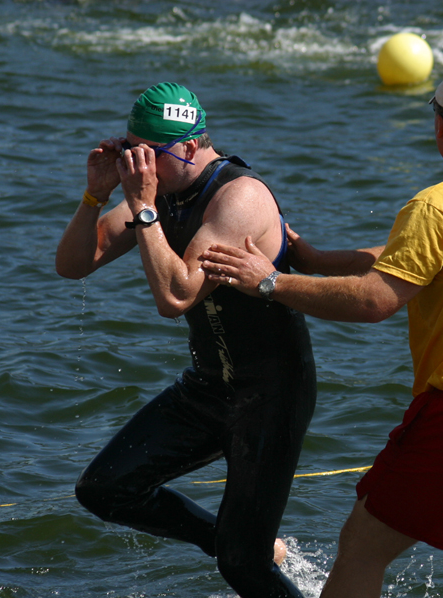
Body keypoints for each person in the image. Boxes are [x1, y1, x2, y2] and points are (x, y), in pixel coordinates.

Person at [200, 63, 443, 598]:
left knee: (361, 548)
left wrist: (271, 283)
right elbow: (425, 258)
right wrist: (318, 259)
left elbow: (375, 300)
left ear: (440, 127)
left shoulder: (438, 204)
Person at [55, 82, 316, 598]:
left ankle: (245, 548)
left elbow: (177, 296)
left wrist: (144, 208)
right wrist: (96, 195)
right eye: (129, 149)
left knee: (241, 566)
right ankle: (240, 542)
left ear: (190, 148)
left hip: (270, 396)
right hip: (207, 388)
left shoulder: (239, 197)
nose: (136, 165)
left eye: (146, 153)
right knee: (104, 489)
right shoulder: (162, 191)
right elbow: (73, 264)